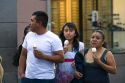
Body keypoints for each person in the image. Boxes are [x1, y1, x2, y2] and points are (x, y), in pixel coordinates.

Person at [18, 11, 64, 83]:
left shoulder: (54, 38)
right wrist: (21, 72)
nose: (30, 23)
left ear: (39, 23)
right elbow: (23, 54)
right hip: (28, 78)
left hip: (46, 79)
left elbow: (61, 58)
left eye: (32, 21)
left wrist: (44, 56)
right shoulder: (29, 35)